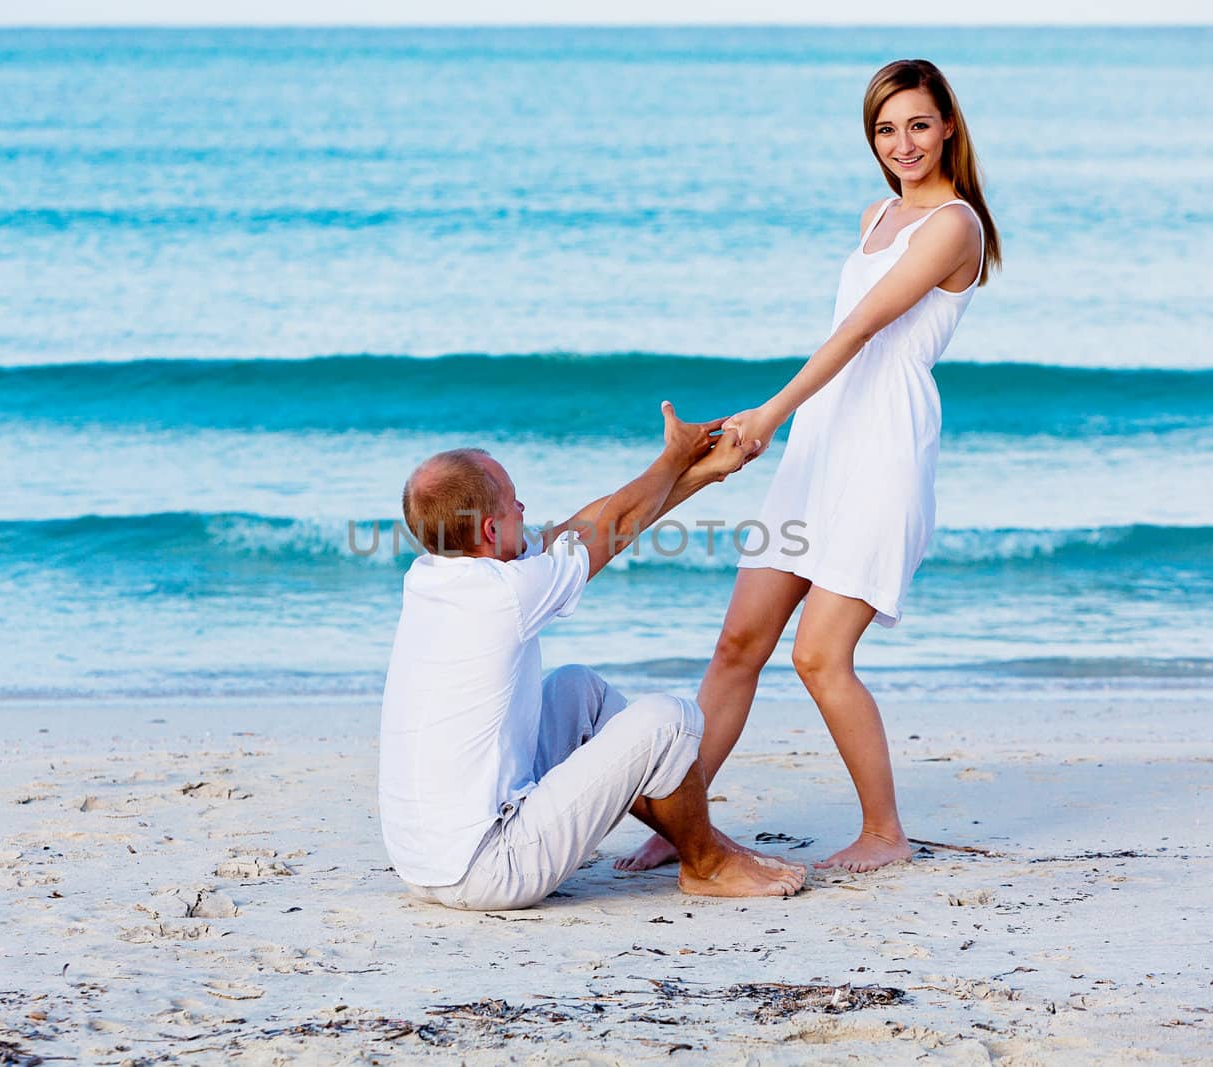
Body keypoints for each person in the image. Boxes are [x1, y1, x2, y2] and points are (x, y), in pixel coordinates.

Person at [617, 58, 1002, 876]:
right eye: (885, 129)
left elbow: (862, 330)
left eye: (918, 125)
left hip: (882, 448)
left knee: (820, 654)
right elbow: (847, 335)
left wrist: (768, 413)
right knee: (737, 643)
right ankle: (683, 822)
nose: (902, 143)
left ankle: (885, 830)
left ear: (949, 127)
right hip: (822, 445)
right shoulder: (877, 216)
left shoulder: (955, 226)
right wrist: (782, 426)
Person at [379, 403, 807, 910]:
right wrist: (673, 455)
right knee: (671, 717)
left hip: (426, 864)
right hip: (488, 870)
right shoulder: (506, 594)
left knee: (575, 689)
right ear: (491, 532)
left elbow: (586, 529)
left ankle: (692, 839)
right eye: (515, 504)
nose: (525, 511)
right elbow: (617, 521)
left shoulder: (435, 573)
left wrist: (703, 473)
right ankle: (707, 865)